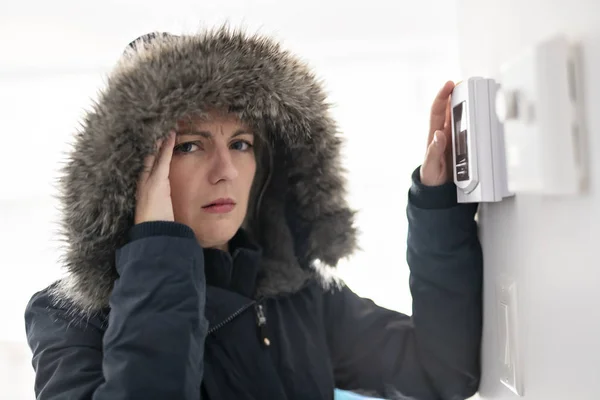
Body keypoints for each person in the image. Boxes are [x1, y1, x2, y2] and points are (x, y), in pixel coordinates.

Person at [24, 28, 482, 400]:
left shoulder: (299, 294)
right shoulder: (73, 319)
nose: (225, 171)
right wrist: (158, 248)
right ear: (135, 172)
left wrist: (437, 202)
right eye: (190, 146)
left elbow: (443, 371)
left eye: (240, 144)